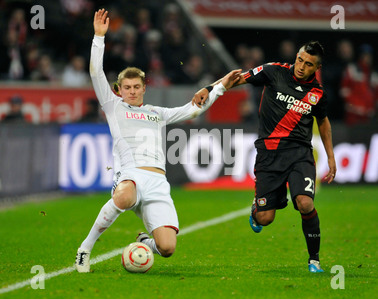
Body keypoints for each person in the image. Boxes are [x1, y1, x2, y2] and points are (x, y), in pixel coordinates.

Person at [75, 9, 241, 273]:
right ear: (119, 90)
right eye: (126, 88)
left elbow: (193, 109)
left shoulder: (157, 113)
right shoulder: (112, 105)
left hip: (157, 183)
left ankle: (145, 242)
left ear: (143, 88)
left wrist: (219, 87)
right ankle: (85, 249)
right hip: (130, 174)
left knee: (167, 248)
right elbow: (96, 72)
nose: (131, 91)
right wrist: (98, 38)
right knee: (125, 195)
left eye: (136, 87)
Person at [192, 41, 337, 273]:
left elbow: (323, 121)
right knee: (265, 218)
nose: (301, 66)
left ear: (316, 67)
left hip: (299, 153)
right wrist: (209, 89)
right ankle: (256, 211)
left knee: (305, 202)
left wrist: (330, 156)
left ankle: (314, 260)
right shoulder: (273, 71)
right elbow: (237, 79)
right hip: (268, 155)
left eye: (308, 64)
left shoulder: (317, 93)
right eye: (300, 59)